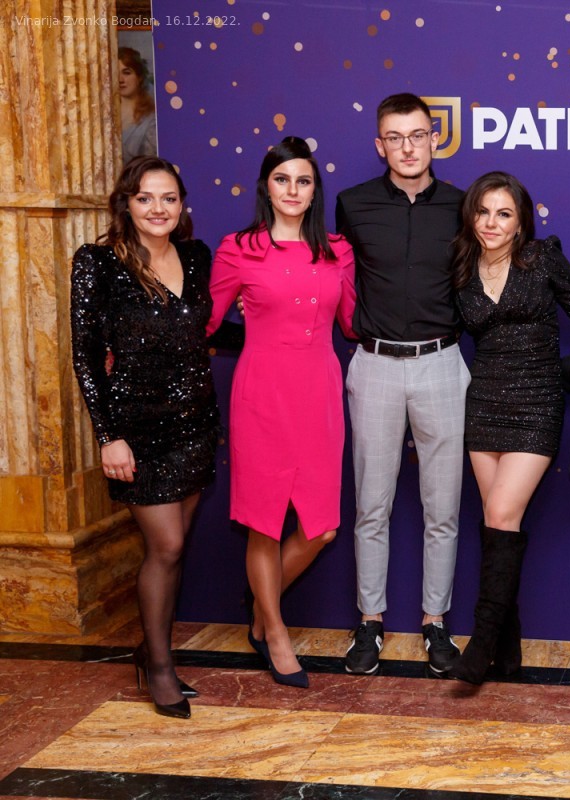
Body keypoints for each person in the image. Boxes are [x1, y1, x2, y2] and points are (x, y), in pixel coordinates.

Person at [71, 156, 221, 718]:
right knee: (168, 546)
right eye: (145, 198)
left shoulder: (196, 255)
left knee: (174, 547)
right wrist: (108, 436)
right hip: (136, 430)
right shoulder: (97, 263)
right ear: (127, 204)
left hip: (196, 424)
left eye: (169, 198)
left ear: (182, 205)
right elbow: (85, 356)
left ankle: (151, 649)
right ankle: (158, 667)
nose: (158, 209)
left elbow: (202, 329)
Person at [207, 137, 356, 689]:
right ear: (266, 187)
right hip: (262, 396)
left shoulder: (337, 250)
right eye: (282, 179)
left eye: (303, 181)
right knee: (263, 524)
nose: (293, 190)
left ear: (315, 191)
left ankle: (259, 604)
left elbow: (352, 322)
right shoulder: (238, 248)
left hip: (319, 394)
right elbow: (205, 321)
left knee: (323, 529)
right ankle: (274, 631)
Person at [336, 93, 469, 676]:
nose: (408, 147)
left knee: (443, 507)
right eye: (395, 137)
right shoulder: (352, 203)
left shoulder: (464, 206)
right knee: (371, 505)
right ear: (379, 145)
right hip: (375, 365)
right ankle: (370, 623)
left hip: (442, 362)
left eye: (418, 135)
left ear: (435, 139)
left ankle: (435, 623)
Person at [447, 172, 570, 684]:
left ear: (521, 222)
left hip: (536, 404)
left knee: (501, 513)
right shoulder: (460, 267)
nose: (492, 223)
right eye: (483, 211)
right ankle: (507, 651)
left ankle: (481, 644)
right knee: (497, 524)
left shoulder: (542, 258)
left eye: (504, 213)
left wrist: (565, 375)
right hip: (484, 403)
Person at [117, 47, 157, 164]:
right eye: (115, 73)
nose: (120, 79)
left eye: (127, 73)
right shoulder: (104, 115)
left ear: (139, 77)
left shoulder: (151, 119)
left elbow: (150, 164)